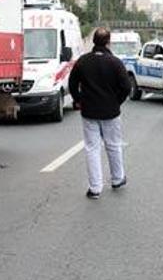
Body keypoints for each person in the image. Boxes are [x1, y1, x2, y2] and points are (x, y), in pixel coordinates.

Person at [68, 27, 132, 199]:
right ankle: (117, 179)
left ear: (93, 42)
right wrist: (116, 101)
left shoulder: (83, 61)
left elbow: (72, 84)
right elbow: (126, 87)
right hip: (111, 112)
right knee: (114, 145)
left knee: (92, 149)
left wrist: (79, 100)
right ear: (108, 42)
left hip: (89, 112)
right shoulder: (115, 62)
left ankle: (95, 188)